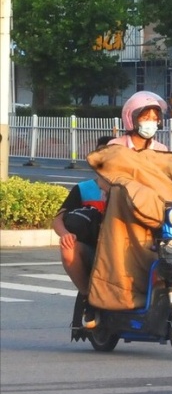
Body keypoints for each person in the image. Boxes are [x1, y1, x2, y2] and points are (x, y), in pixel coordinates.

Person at [52, 136, 113, 328]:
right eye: (100, 153)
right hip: (93, 250)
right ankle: (88, 296)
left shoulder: (132, 189)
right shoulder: (83, 189)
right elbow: (58, 220)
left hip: (123, 250)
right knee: (68, 249)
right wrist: (65, 235)